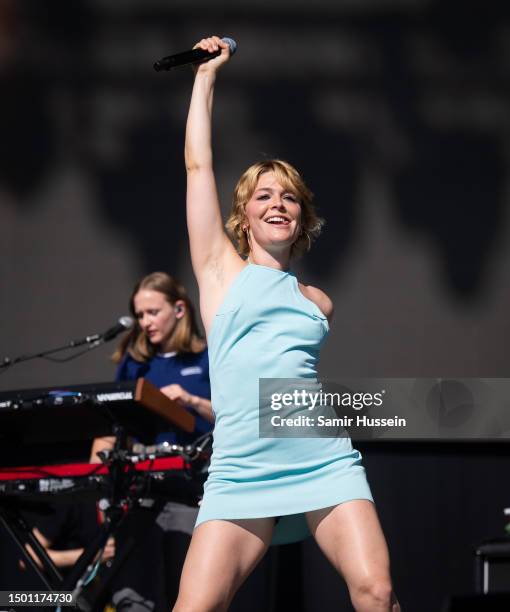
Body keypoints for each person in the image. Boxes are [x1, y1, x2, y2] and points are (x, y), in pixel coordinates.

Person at [174, 36, 401, 612]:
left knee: (377, 592)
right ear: (244, 216)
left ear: (301, 218)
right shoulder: (220, 270)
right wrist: (206, 76)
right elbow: (198, 164)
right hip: (240, 467)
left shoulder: (317, 300)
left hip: (319, 455)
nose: (278, 203)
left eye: (290, 198)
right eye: (264, 196)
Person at [90, 272, 213, 610]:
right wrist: (96, 476)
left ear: (178, 309)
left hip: (191, 493)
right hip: (141, 491)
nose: (145, 322)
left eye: (152, 312)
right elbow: (114, 423)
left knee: (189, 594)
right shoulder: (135, 363)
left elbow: (236, 416)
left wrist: (192, 401)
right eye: (139, 314)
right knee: (133, 595)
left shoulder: (208, 357)